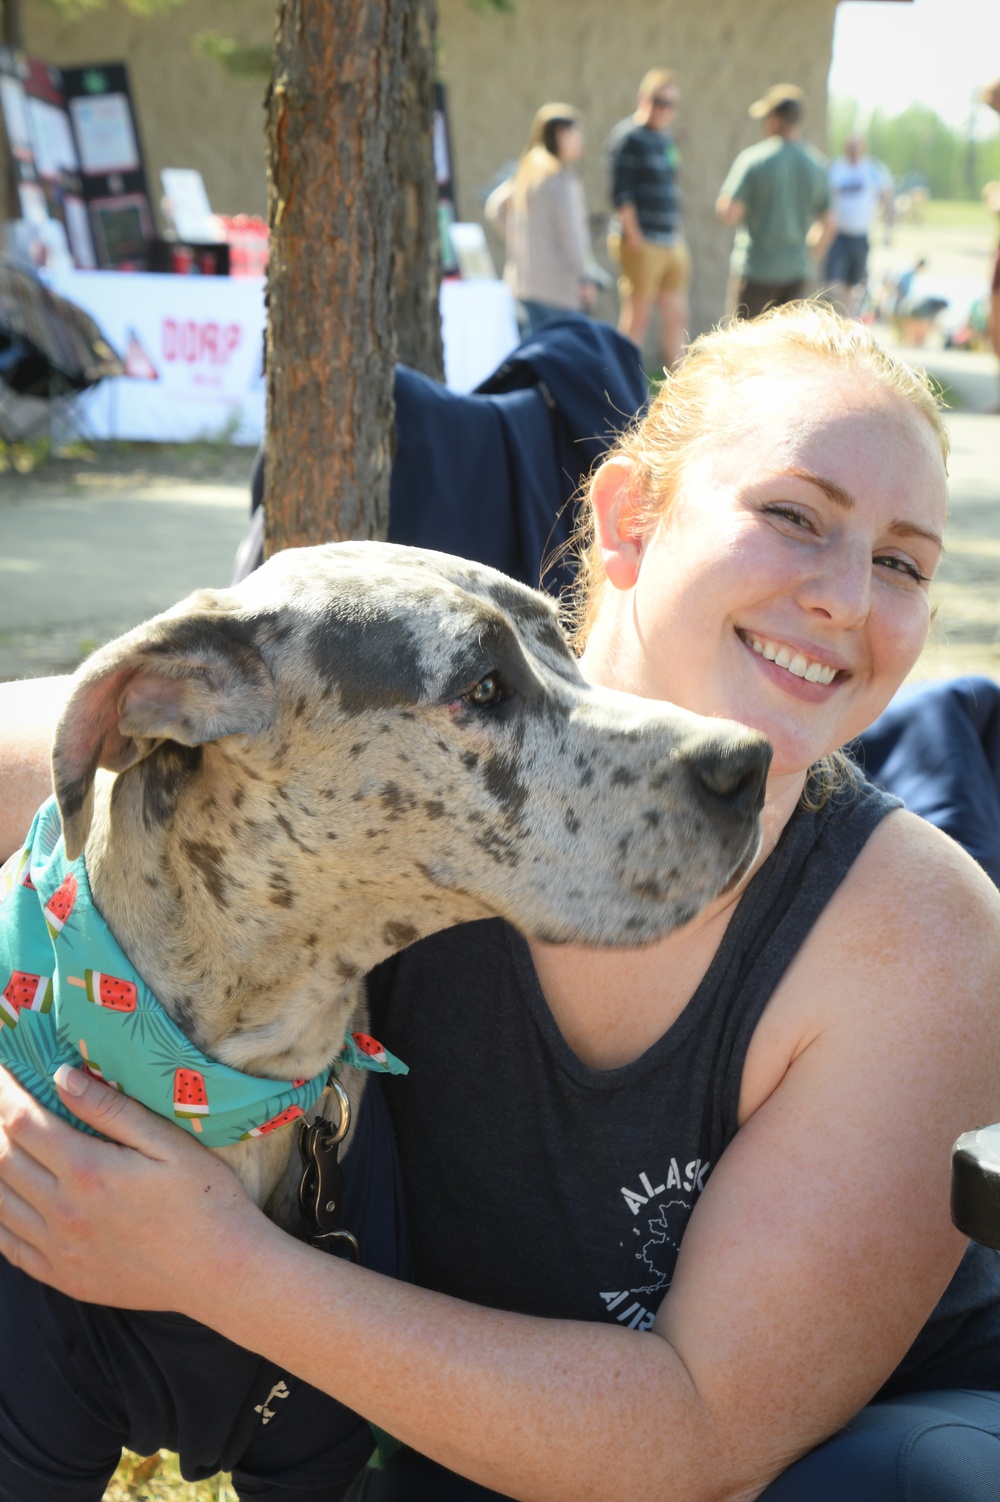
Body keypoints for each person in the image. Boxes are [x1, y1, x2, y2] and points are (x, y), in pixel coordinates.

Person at [3, 303, 1000, 1502]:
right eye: (794, 514)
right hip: (451, 1432)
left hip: (809, 1455)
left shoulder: (925, 942)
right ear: (629, 517)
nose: (845, 594)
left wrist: (212, 1260)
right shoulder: (375, 742)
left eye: (902, 562)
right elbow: (72, 740)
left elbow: (700, 1437)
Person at [716, 84, 832, 320]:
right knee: (785, 350)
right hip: (797, 272)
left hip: (757, 270)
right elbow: (830, 222)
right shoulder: (816, 164)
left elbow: (728, 213)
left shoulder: (754, 159)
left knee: (744, 347)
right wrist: (808, 254)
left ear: (773, 120)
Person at [485, 103, 596, 335]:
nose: (580, 141)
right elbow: (572, 235)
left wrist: (524, 243)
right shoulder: (560, 178)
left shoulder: (528, 170)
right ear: (560, 135)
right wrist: (585, 277)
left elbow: (496, 207)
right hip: (559, 289)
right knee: (563, 361)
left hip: (524, 284)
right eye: (576, 134)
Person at [605, 68, 689, 369]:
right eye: (658, 101)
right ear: (643, 98)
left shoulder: (666, 139)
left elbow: (670, 187)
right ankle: (617, 389)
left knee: (678, 315)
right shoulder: (628, 137)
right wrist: (634, 236)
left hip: (670, 240)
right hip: (642, 241)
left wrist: (676, 230)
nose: (664, 109)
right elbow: (621, 194)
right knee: (637, 317)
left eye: (670, 104)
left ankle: (680, 391)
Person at [823, 135, 893, 316]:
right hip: (837, 234)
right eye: (850, 146)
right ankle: (836, 315)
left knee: (856, 285)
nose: (853, 150)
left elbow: (886, 198)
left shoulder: (872, 170)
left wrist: (888, 229)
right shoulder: (835, 169)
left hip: (860, 235)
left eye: (857, 146)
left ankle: (849, 319)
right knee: (832, 282)